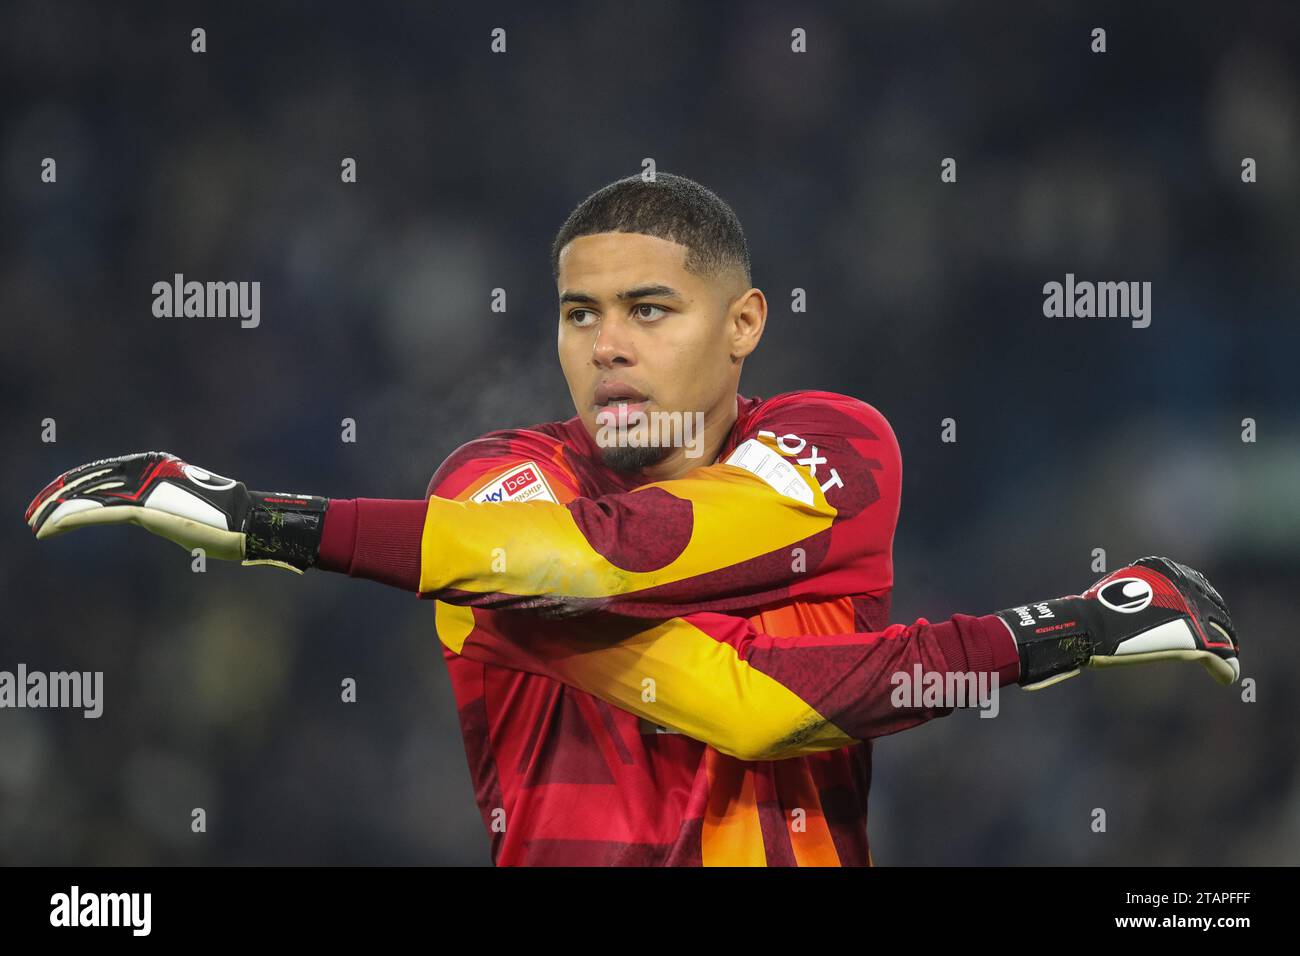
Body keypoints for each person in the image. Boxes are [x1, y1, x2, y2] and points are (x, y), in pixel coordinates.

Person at [24, 174, 1240, 866]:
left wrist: (272, 523)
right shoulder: (488, 485)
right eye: (577, 313)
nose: (606, 344)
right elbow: (730, 684)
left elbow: (669, 617)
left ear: (744, 324)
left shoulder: (837, 443)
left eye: (650, 308)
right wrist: (1065, 629)